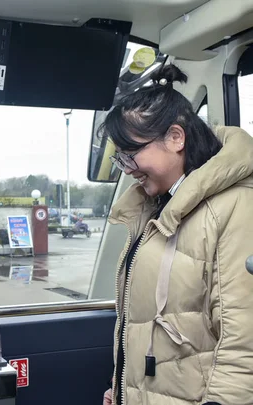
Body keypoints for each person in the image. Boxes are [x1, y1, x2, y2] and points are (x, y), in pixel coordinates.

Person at [100, 64, 253, 405]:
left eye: (132, 154)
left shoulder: (235, 207)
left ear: (175, 138)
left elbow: (243, 343)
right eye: (121, 160)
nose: (128, 170)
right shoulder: (156, 207)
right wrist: (124, 391)